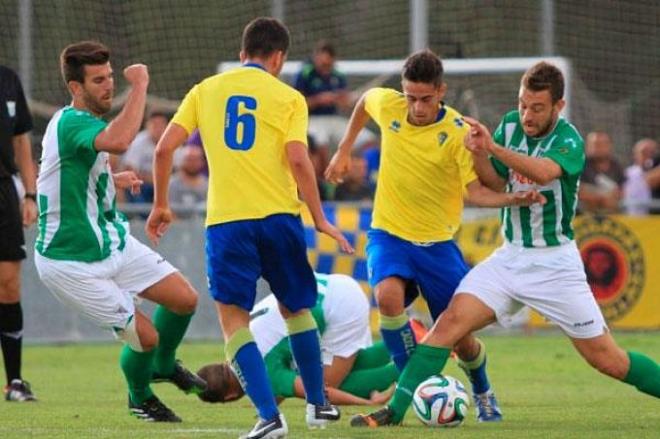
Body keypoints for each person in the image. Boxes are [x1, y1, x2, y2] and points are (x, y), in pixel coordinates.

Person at [350, 61, 660, 428]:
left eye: (537, 108)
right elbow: (493, 183)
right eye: (523, 104)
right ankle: (392, 412)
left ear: (558, 107)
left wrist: (492, 146)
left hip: (555, 264)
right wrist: (480, 153)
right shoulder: (511, 124)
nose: (526, 115)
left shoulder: (569, 139)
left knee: (607, 360)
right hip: (509, 258)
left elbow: (542, 172)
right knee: (448, 325)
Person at [146, 18, 353, 439]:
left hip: (228, 223)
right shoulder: (291, 97)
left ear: (242, 54)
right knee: (296, 309)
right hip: (280, 218)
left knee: (234, 321)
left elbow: (165, 146)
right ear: (278, 58)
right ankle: (318, 404)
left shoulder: (206, 90)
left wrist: (161, 204)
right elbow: (299, 159)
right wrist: (319, 216)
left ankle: (268, 417)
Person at [325, 49, 545, 425]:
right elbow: (364, 101)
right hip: (389, 233)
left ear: (441, 92)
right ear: (402, 91)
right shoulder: (390, 106)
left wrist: (512, 198)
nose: (418, 106)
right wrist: (344, 149)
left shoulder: (457, 132)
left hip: (438, 245)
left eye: (426, 98)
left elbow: (474, 192)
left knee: (460, 338)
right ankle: (413, 381)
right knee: (387, 297)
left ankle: (482, 387)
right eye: (411, 97)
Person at [34, 41, 206, 423]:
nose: (109, 85)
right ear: (76, 88)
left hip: (110, 242)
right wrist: (140, 85)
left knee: (185, 299)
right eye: (98, 80)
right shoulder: (70, 122)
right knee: (146, 337)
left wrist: (112, 177)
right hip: (70, 262)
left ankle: (162, 367)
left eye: (111, 77)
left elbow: (65, 175)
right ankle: (140, 397)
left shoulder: (82, 128)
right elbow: (121, 140)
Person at [196, 272, 404, 406]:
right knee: (329, 366)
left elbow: (320, 392)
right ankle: (409, 335)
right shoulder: (234, 343)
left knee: (321, 383)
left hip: (340, 308)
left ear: (230, 397)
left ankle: (405, 367)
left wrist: (366, 404)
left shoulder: (261, 373)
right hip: (332, 287)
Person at [0, 65, 38, 402]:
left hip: (3, 191)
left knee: (9, 283)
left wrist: (29, 193)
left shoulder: (8, 79)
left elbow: (21, 140)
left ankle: (15, 382)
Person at [294, 40, 377, 164]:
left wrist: (346, 101)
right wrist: (318, 100)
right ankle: (325, 180)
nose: (326, 69)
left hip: (334, 118)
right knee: (320, 143)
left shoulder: (338, 75)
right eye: (323, 64)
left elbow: (346, 105)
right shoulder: (305, 74)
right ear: (316, 58)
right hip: (312, 119)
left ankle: (360, 177)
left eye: (329, 65)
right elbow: (296, 105)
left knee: (368, 140)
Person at [578, 131, 625, 213]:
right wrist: (600, 198)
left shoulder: (617, 166)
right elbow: (574, 190)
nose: (597, 148)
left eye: (601, 144)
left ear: (609, 145)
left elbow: (622, 191)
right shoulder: (579, 165)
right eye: (594, 144)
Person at [168, 144, 208, 218]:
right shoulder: (171, 184)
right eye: (189, 159)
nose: (193, 163)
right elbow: (169, 211)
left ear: (202, 162)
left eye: (196, 159)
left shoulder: (208, 185)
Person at [623, 138, 657, 215]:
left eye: (652, 153)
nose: (649, 156)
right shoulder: (627, 174)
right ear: (635, 155)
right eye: (644, 153)